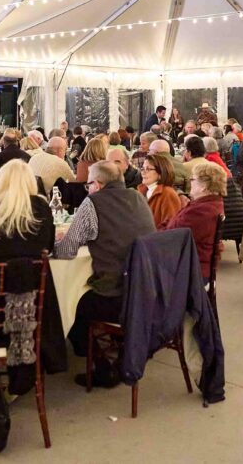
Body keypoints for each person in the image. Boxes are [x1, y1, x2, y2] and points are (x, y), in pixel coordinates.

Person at [55, 161, 156, 386]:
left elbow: (66, 251)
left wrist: (53, 242)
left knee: (69, 305)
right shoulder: (138, 197)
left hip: (115, 297)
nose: (87, 189)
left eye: (88, 184)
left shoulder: (93, 203)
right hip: (144, 289)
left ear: (98, 185)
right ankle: (122, 351)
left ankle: (101, 367)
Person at [0, 160, 53, 262]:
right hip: (35, 271)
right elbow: (48, 247)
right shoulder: (42, 206)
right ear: (31, 182)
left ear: (0, 181)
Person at [166, 162, 227, 280]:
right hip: (192, 263)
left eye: (192, 179)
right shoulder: (209, 204)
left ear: (204, 186)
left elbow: (173, 235)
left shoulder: (202, 211)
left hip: (191, 270)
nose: (190, 182)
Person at [137, 153, 182, 229]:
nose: (143, 172)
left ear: (161, 173)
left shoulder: (168, 194)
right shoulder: (141, 192)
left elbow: (170, 227)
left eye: (148, 169)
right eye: (142, 168)